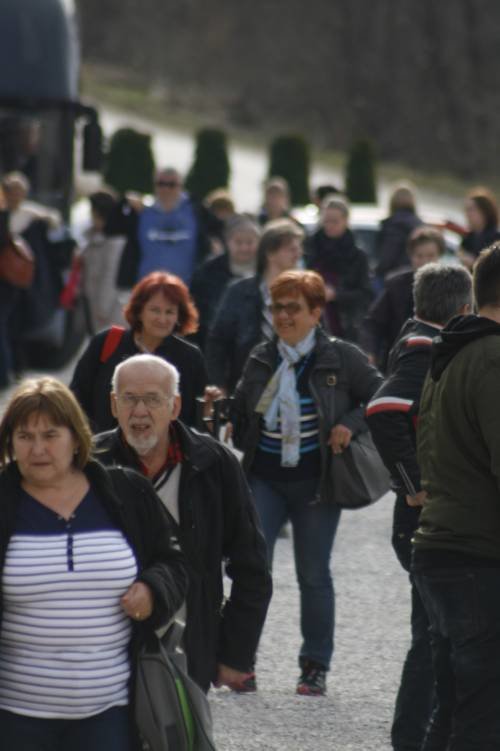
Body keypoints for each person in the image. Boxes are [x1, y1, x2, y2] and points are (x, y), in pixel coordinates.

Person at [0, 376, 187, 750]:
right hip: (15, 717)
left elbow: (173, 562)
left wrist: (152, 589)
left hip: (109, 714)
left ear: (75, 437)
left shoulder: (126, 492)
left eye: (50, 435)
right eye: (25, 437)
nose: (38, 449)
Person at [231, 269, 382, 695]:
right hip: (265, 478)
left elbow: (381, 394)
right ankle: (241, 661)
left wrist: (350, 424)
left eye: (293, 308)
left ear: (316, 312)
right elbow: (244, 411)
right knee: (252, 569)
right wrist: (225, 407)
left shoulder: (342, 357)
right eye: (277, 308)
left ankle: (314, 665)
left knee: (313, 574)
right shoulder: (262, 356)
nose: (283, 316)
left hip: (317, 484)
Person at [94, 353, 272, 693]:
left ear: (175, 406)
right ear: (114, 404)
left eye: (152, 399)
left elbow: (251, 566)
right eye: (129, 399)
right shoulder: (90, 464)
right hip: (106, 649)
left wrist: (236, 653)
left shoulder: (213, 464)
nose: (140, 411)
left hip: (188, 645)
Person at [365, 263, 472, 751]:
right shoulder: (424, 349)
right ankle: (412, 739)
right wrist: (414, 485)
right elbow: (384, 410)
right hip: (422, 516)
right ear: (464, 309)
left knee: (435, 635)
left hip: (423, 518)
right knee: (433, 638)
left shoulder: (419, 341)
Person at [411, 241, 500, 748]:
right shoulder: (491, 357)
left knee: (452, 712)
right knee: (482, 721)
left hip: (441, 551)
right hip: (477, 560)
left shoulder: (452, 351)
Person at [70, 271, 208, 432]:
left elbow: (197, 423)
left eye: (169, 312)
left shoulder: (190, 357)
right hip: (104, 450)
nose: (162, 319)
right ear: (139, 311)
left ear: (179, 316)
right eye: (155, 310)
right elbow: (76, 397)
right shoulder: (107, 342)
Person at [206, 218, 304, 393]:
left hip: (293, 388)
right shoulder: (239, 291)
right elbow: (217, 342)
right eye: (291, 249)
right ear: (270, 253)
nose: (298, 254)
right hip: (246, 387)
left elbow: (320, 338)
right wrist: (218, 383)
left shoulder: (304, 293)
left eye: (298, 248)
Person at [109, 167, 211, 289]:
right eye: (161, 184)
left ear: (181, 186)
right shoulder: (142, 211)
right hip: (146, 292)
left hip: (187, 292)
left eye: (172, 185)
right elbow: (110, 229)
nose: (166, 189)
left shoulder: (196, 211)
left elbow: (220, 229)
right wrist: (124, 201)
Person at [360, 226, 446, 370]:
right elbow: (372, 323)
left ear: (440, 256)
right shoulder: (396, 285)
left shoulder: (451, 286)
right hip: (399, 361)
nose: (425, 262)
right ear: (410, 256)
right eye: (419, 256)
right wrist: (369, 352)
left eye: (430, 256)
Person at [306, 195, 373, 342]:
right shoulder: (310, 248)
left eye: (334, 221)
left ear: (346, 221)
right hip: (311, 324)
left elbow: (365, 295)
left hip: (345, 327)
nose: (329, 225)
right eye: (326, 221)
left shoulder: (357, 256)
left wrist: (336, 295)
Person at [190, 214, 261, 350]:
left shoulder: (267, 270)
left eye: (250, 242)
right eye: (238, 242)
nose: (244, 248)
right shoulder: (207, 272)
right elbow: (196, 310)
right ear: (227, 242)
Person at [80, 190, 126, 334]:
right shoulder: (95, 236)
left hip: (108, 310)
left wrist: (102, 309)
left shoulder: (115, 241)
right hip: (94, 303)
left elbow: (110, 275)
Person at [375, 182, 423, 282]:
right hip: (417, 279)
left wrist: (378, 272)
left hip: (394, 279)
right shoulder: (420, 226)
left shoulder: (393, 226)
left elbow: (387, 256)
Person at [459, 186, 500, 270]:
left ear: (485, 212)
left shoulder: (496, 238)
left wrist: (474, 262)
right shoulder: (469, 237)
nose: (467, 214)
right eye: (466, 210)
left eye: (471, 210)